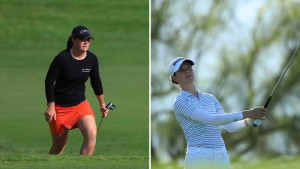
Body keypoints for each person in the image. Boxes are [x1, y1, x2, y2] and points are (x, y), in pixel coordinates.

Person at [169, 57, 267, 169]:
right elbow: (211, 120)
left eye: (189, 68)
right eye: (181, 70)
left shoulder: (210, 98)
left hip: (221, 154)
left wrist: (249, 121)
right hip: (199, 156)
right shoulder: (180, 102)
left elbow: (230, 127)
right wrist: (247, 113)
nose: (187, 71)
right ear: (174, 78)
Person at [44, 25, 108, 155]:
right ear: (73, 40)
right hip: (60, 108)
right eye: (83, 39)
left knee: (91, 135)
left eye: (88, 40)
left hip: (80, 105)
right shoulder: (62, 58)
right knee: (58, 148)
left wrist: (102, 104)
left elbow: (96, 83)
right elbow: (49, 81)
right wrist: (51, 106)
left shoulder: (91, 59)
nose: (86, 42)